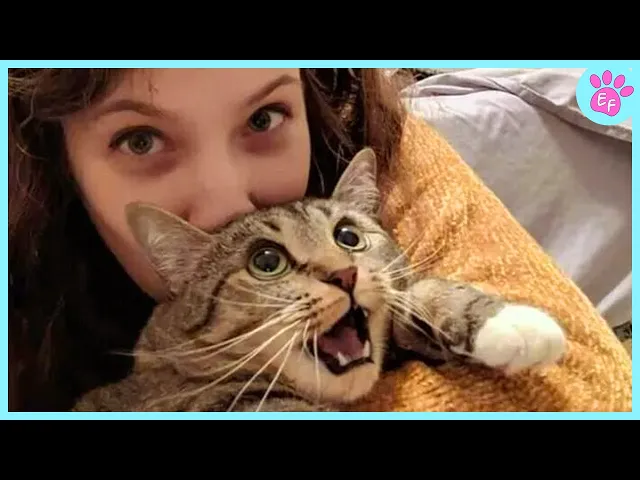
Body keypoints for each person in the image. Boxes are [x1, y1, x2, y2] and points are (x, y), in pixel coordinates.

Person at [8, 68, 411, 411]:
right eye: (140, 140)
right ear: (56, 161)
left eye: (263, 118)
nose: (227, 208)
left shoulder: (395, 169)